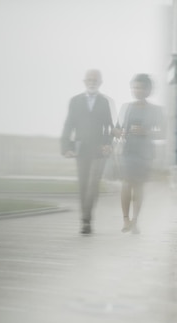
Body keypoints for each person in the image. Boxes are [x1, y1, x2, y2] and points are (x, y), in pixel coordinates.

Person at [60, 69, 115, 234]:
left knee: (93, 185)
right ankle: (84, 219)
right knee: (83, 185)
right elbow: (68, 125)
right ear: (84, 81)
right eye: (89, 79)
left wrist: (108, 144)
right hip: (81, 149)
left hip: (99, 151)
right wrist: (66, 148)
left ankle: (87, 220)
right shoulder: (75, 101)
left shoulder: (104, 102)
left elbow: (110, 127)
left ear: (100, 82)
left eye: (95, 80)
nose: (92, 82)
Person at [114, 73, 164, 234]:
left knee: (139, 186)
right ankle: (125, 219)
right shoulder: (126, 107)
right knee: (126, 183)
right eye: (135, 87)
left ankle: (135, 220)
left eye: (141, 88)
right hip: (128, 151)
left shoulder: (156, 111)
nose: (138, 90)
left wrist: (146, 132)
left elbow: (164, 133)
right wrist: (119, 132)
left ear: (149, 90)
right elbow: (116, 128)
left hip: (145, 154)